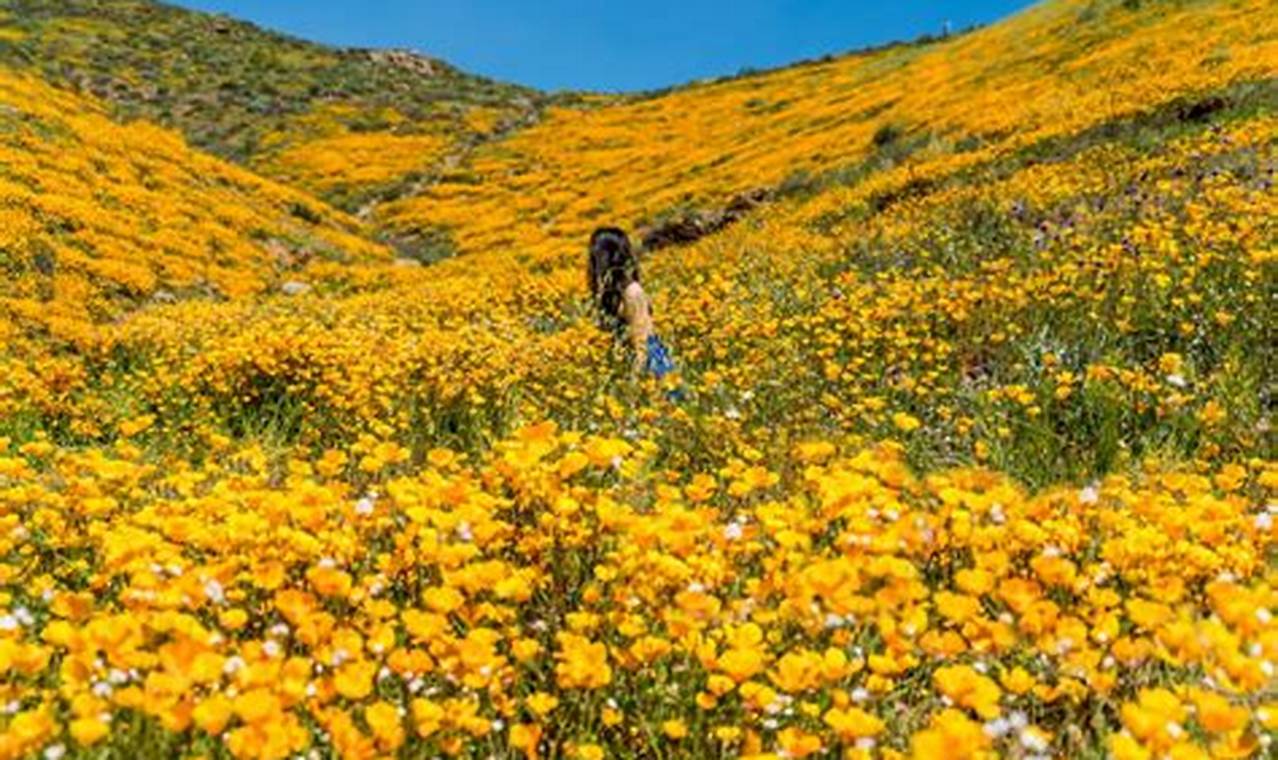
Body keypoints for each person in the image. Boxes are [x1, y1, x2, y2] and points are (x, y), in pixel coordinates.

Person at [587, 227, 677, 381]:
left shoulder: (632, 293)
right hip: (628, 362)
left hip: (650, 367)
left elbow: (642, 343)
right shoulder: (610, 294)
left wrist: (634, 383)